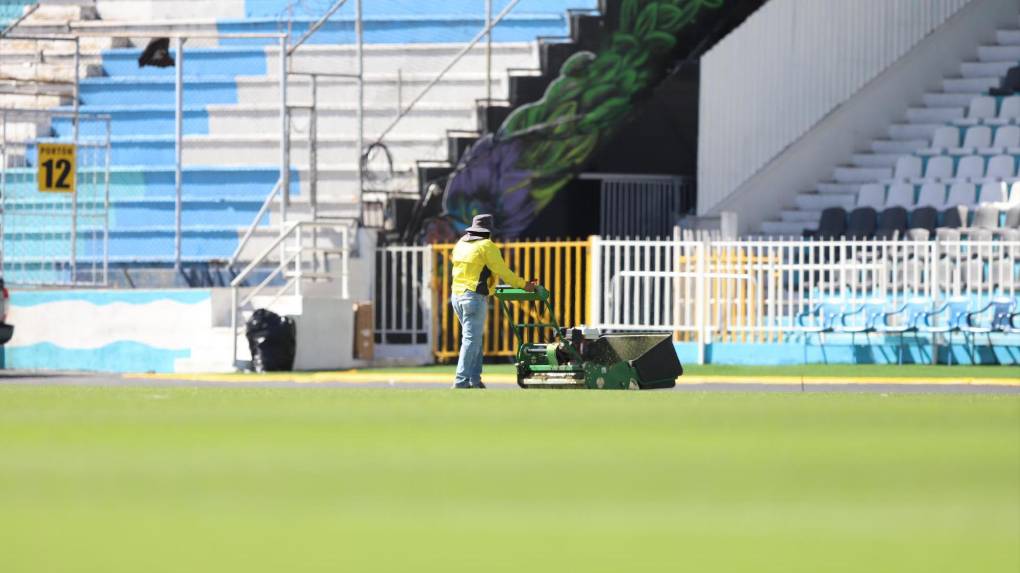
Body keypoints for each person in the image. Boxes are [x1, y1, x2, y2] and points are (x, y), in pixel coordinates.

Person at [449, 214, 535, 389]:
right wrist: (524, 285)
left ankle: (474, 380)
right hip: (473, 297)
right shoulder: (487, 246)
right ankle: (461, 382)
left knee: (474, 340)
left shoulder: (461, 244)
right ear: (488, 231)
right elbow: (503, 272)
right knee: (471, 340)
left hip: (457, 296)